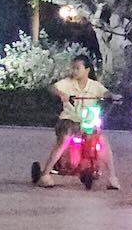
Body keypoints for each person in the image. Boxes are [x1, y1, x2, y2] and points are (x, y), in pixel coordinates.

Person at [35, 55, 121, 189]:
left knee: (102, 140)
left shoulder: (95, 86)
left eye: (77, 68)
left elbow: (106, 93)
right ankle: (45, 174)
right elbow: (52, 88)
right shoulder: (68, 83)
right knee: (65, 139)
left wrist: (112, 97)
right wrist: (61, 94)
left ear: (87, 70)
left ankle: (112, 178)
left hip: (88, 122)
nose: (74, 71)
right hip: (69, 119)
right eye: (73, 68)